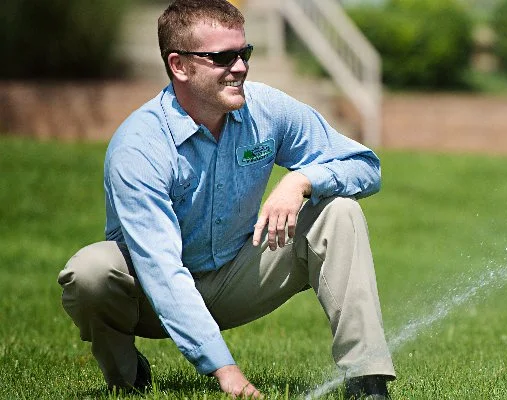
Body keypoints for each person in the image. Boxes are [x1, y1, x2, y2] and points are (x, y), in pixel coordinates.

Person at [56, 0, 395, 398]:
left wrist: (302, 180)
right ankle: (127, 378)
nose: (240, 67)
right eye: (222, 57)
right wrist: (224, 369)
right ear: (179, 65)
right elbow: (161, 269)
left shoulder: (267, 109)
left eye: (243, 53)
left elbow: (364, 165)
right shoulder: (139, 146)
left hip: (240, 274)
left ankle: (366, 380)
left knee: (339, 211)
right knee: (90, 271)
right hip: (150, 297)